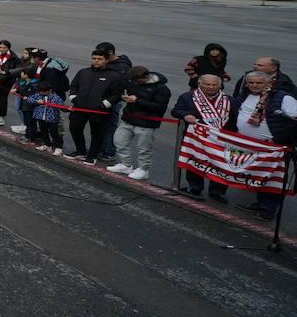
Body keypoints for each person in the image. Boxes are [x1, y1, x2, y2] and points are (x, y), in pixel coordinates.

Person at [226, 71, 297, 221]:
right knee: (257, 176)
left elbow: (295, 120)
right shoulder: (244, 96)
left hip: (272, 148)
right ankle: (259, 203)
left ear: (269, 83)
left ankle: (268, 210)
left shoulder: (283, 98)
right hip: (247, 145)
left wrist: (279, 140)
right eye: (251, 82)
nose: (254, 85)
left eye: (259, 83)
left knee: (271, 179)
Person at [170, 73, 231, 202]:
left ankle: (217, 191)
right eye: (207, 84)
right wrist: (185, 115)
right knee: (195, 162)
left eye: (214, 84)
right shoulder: (187, 97)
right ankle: (195, 187)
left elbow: (235, 119)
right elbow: (176, 111)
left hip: (220, 140)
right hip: (197, 139)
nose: (211, 87)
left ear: (220, 85)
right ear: (199, 84)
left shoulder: (229, 100)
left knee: (220, 165)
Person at [108, 66, 171, 180]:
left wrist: (137, 100)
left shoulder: (161, 89)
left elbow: (160, 108)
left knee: (144, 148)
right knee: (119, 141)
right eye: (132, 80)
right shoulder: (133, 82)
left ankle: (143, 169)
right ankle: (126, 164)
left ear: (146, 77)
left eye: (137, 80)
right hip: (128, 118)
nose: (134, 83)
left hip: (146, 122)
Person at [67, 49, 124, 164]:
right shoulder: (83, 72)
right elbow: (74, 86)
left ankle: (92, 156)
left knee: (97, 133)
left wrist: (104, 105)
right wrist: (74, 98)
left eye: (100, 59)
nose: (96, 61)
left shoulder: (114, 76)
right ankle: (81, 152)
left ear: (106, 60)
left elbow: (117, 94)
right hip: (79, 108)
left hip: (99, 111)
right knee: (74, 128)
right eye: (94, 58)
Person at [22, 79, 66, 155]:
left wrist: (68, 109)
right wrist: (36, 101)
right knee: (44, 132)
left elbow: (62, 106)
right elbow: (29, 99)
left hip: (52, 119)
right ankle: (47, 145)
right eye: (41, 91)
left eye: (44, 91)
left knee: (54, 133)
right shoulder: (38, 95)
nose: (42, 93)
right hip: (40, 118)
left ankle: (58, 148)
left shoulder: (55, 97)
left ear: (50, 90)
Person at [231, 56, 296, 101]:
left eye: (260, 65)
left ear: (273, 68)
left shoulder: (283, 80)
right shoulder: (247, 76)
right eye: (255, 64)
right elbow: (237, 92)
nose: (255, 67)